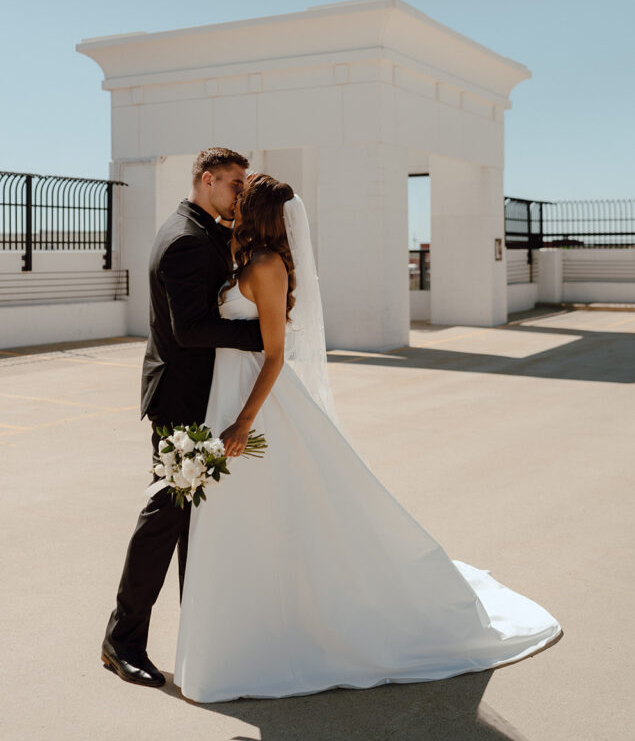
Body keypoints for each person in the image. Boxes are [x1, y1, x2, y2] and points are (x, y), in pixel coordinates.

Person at [174, 174, 562, 702]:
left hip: (257, 405)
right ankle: (246, 633)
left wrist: (243, 422)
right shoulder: (246, 259)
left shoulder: (266, 267)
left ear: (259, 212)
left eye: (243, 199)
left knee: (277, 513)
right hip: (227, 394)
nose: (234, 204)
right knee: (247, 518)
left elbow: (275, 354)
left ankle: (270, 639)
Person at [102, 148, 263, 688]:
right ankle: (122, 642)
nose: (240, 192)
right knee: (165, 518)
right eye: (234, 183)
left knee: (195, 521)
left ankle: (199, 636)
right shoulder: (186, 240)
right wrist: (259, 337)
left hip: (200, 395)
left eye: (244, 184)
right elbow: (190, 329)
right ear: (206, 179)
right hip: (182, 401)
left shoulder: (207, 230)